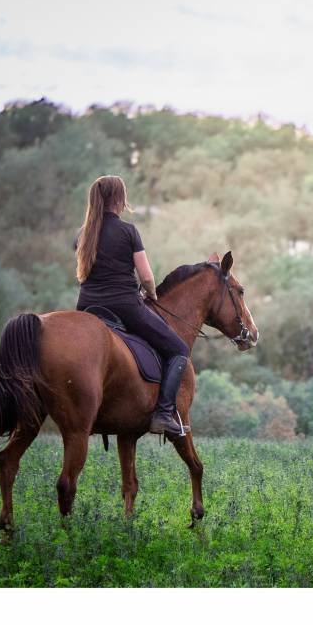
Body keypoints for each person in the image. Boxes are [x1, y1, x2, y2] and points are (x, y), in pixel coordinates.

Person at [74, 175, 188, 438]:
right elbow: (147, 277)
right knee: (178, 349)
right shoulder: (128, 231)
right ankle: (162, 415)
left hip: (86, 308)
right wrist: (152, 295)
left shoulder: (83, 234)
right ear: (120, 199)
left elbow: (84, 271)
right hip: (124, 305)